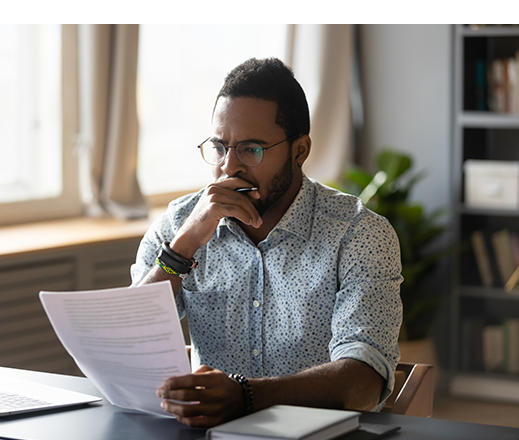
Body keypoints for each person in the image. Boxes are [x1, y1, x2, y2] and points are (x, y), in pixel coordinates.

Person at [130, 58, 403, 428]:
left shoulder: (359, 235)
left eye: (251, 149)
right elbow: (129, 345)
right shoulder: (180, 226)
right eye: (220, 147)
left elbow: (365, 380)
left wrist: (246, 396)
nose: (229, 168)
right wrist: (182, 249)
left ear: (299, 151)